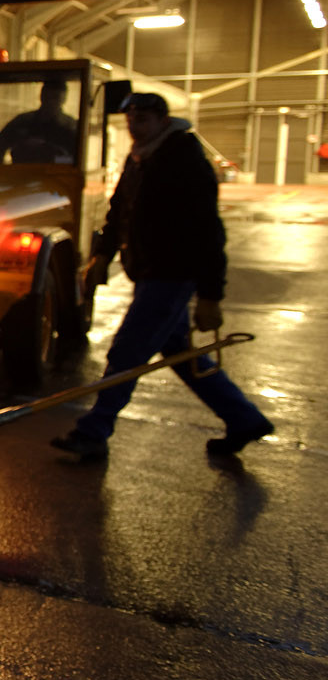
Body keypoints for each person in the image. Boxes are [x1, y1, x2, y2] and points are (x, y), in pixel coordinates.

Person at [51, 92, 272, 461]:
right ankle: (244, 418)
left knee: (127, 352)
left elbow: (208, 232)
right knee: (181, 355)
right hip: (149, 271)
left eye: (142, 120)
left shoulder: (184, 160)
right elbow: (118, 210)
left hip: (172, 274)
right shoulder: (140, 158)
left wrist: (210, 296)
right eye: (130, 120)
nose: (134, 127)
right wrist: (102, 256)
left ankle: (93, 432)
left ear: (162, 120)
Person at [0, 80, 77, 164]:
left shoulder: (70, 127)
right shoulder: (22, 122)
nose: (51, 101)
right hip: (22, 176)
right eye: (47, 96)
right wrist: (4, 174)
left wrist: (53, 159)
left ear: (63, 99)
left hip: (57, 178)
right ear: (41, 96)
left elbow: (76, 159)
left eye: (55, 97)